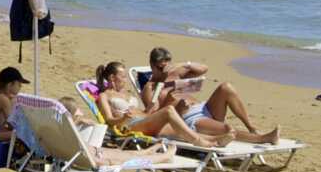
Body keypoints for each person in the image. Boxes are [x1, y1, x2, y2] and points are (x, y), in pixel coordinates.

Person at [94, 61, 276, 147]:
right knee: (170, 112)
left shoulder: (126, 93)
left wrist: (148, 110)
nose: (125, 79)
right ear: (112, 77)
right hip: (131, 126)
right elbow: (108, 121)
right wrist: (123, 119)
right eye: (123, 76)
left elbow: (143, 111)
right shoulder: (104, 96)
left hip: (146, 120)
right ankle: (201, 142)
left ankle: (221, 141)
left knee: (207, 130)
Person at [142, 45, 207, 109]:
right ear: (152, 65)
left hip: (199, 106)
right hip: (185, 114)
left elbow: (204, 69)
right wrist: (170, 98)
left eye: (168, 66)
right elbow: (153, 113)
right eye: (160, 68)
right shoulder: (150, 88)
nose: (164, 71)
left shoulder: (175, 73)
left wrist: (185, 64)